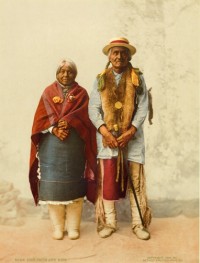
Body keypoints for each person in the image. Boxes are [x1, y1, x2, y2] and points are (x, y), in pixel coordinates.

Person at [88, 37, 152, 240]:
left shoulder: (137, 78)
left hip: (131, 139)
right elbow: (93, 108)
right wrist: (105, 132)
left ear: (129, 56)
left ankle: (138, 224)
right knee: (108, 182)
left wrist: (131, 131)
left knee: (135, 181)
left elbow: (143, 107)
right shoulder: (100, 78)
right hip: (108, 141)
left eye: (123, 53)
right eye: (115, 52)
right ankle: (110, 222)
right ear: (109, 55)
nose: (119, 56)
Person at [29, 59, 96, 240]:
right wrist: (54, 129)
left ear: (75, 74)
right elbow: (38, 122)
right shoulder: (48, 92)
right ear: (57, 73)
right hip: (51, 148)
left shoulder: (81, 94)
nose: (65, 75)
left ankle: (74, 227)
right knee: (53, 189)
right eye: (62, 71)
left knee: (74, 187)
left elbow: (88, 121)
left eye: (70, 72)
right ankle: (58, 228)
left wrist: (72, 121)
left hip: (74, 147)